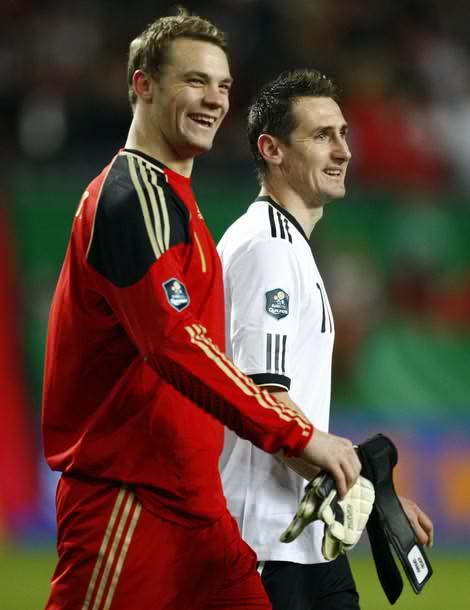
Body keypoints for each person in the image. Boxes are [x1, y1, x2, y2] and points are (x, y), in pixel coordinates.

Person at [41, 12, 362, 610]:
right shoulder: (129, 197)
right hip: (130, 499)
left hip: (198, 508)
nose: (215, 99)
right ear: (142, 85)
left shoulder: (180, 207)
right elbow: (175, 343)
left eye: (223, 85)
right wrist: (298, 434)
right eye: (195, 81)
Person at [218, 69, 434, 610]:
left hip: (306, 541)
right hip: (264, 544)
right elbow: (264, 401)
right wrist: (370, 497)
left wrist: (374, 499)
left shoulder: (289, 246)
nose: (343, 150)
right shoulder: (267, 248)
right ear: (272, 149)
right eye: (321, 135)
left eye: (343, 133)